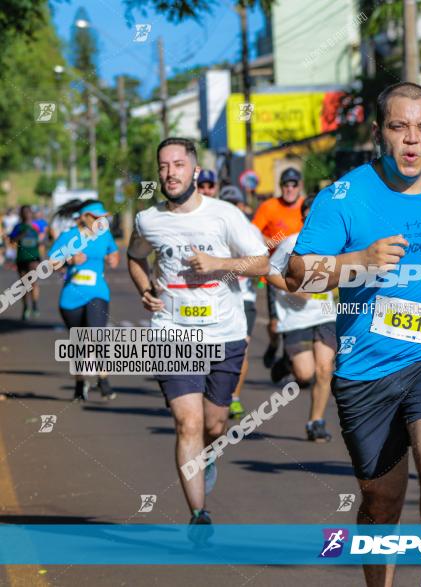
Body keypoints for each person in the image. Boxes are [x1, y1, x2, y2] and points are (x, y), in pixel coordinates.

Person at [285, 82, 421, 587]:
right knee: (381, 499)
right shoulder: (345, 195)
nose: (411, 141)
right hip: (365, 368)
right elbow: (297, 275)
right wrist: (357, 261)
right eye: (399, 127)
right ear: (379, 132)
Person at [127, 137, 268, 526]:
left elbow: (261, 263)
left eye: (177, 165)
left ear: (194, 170)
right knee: (187, 422)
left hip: (224, 331)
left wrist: (218, 263)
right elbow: (135, 257)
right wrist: (146, 289)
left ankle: (208, 454)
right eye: (163, 166)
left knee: (213, 425)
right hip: (172, 332)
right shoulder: (148, 220)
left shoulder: (224, 215)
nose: (169, 173)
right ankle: (198, 513)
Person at [266, 196, 336, 442]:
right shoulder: (290, 244)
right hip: (296, 318)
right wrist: (293, 288)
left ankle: (316, 421)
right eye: (308, 216)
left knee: (325, 369)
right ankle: (287, 362)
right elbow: (269, 272)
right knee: (305, 375)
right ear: (303, 218)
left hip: (325, 315)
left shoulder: (334, 243)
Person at [49, 200, 120, 401]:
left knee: (97, 334)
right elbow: (51, 262)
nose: (101, 221)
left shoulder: (104, 235)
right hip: (71, 297)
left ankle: (103, 381)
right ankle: (80, 383)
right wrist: (69, 260)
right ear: (84, 217)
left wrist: (113, 258)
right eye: (96, 217)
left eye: (103, 218)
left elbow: (113, 251)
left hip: (97, 293)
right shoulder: (68, 236)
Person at [252, 167, 305, 370]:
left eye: (294, 184)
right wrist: (275, 243)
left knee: (297, 318)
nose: (290, 188)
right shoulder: (269, 207)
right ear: (281, 186)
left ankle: (289, 357)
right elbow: (253, 235)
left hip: (301, 273)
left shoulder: (306, 206)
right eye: (286, 184)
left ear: (299, 186)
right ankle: (274, 344)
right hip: (275, 273)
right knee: (275, 324)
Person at [217, 185, 259, 419]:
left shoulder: (251, 230)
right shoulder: (212, 228)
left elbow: (264, 260)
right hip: (218, 298)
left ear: (243, 206)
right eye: (228, 204)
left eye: (236, 204)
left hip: (244, 297)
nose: (233, 209)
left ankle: (234, 397)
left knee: (241, 347)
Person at [9, 206, 44, 319]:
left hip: (33, 257)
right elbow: (11, 240)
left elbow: (43, 239)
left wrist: (41, 255)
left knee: (33, 282)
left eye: (28, 212)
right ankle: (25, 307)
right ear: (21, 214)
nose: (27, 214)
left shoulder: (36, 225)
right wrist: (20, 235)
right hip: (21, 258)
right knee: (24, 284)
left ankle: (35, 305)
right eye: (24, 212)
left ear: (31, 213)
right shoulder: (18, 227)